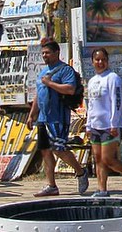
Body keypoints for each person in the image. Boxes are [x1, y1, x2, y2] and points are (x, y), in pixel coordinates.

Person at [27, 38, 89, 197]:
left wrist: (50, 83)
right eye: (43, 53)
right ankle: (51, 185)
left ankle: (81, 172)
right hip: (43, 118)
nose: (45, 56)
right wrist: (32, 114)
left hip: (58, 117)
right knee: (45, 151)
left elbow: (69, 89)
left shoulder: (64, 70)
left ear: (56, 52)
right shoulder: (43, 72)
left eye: (47, 53)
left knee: (58, 149)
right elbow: (38, 95)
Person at [86, 47, 122, 197]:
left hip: (111, 126)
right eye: (97, 60)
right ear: (92, 62)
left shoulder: (113, 78)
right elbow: (91, 104)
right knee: (98, 159)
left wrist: (114, 124)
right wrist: (88, 125)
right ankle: (102, 189)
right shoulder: (92, 81)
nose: (100, 62)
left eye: (103, 59)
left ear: (107, 61)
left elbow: (117, 102)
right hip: (96, 125)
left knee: (108, 159)